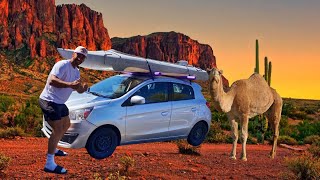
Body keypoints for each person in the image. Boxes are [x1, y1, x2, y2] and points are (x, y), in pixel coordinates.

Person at [39, 46, 89, 174]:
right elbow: (52, 81)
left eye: (83, 57)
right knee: (58, 129)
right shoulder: (62, 65)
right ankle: (49, 164)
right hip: (49, 100)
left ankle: (54, 147)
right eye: (79, 55)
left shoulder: (77, 72)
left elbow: (75, 88)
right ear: (73, 54)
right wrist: (70, 85)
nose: (80, 58)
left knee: (66, 124)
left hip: (60, 103)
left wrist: (82, 89)